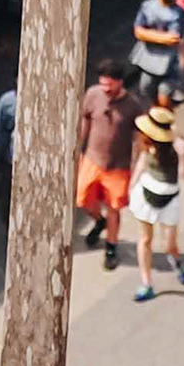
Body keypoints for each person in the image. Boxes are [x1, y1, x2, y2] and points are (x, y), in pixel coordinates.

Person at [125, 105, 184, 301]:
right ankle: (146, 282)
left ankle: (176, 260)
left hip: (170, 196)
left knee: (169, 244)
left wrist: (183, 156)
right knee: (145, 239)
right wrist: (131, 185)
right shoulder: (145, 141)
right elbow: (141, 162)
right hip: (146, 193)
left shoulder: (178, 146)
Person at [75, 64, 136, 262]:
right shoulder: (93, 94)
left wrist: (136, 166)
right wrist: (79, 149)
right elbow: (86, 120)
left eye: (110, 86)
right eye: (103, 85)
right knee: (83, 200)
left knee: (113, 207)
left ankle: (111, 245)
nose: (106, 90)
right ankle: (99, 221)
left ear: (120, 82)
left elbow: (140, 138)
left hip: (119, 166)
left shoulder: (134, 105)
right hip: (92, 159)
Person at [128, 0, 184, 96]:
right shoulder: (147, 6)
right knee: (145, 88)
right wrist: (159, 36)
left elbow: (173, 38)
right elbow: (138, 32)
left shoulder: (178, 12)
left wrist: (148, 34)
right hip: (148, 56)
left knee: (164, 94)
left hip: (168, 60)